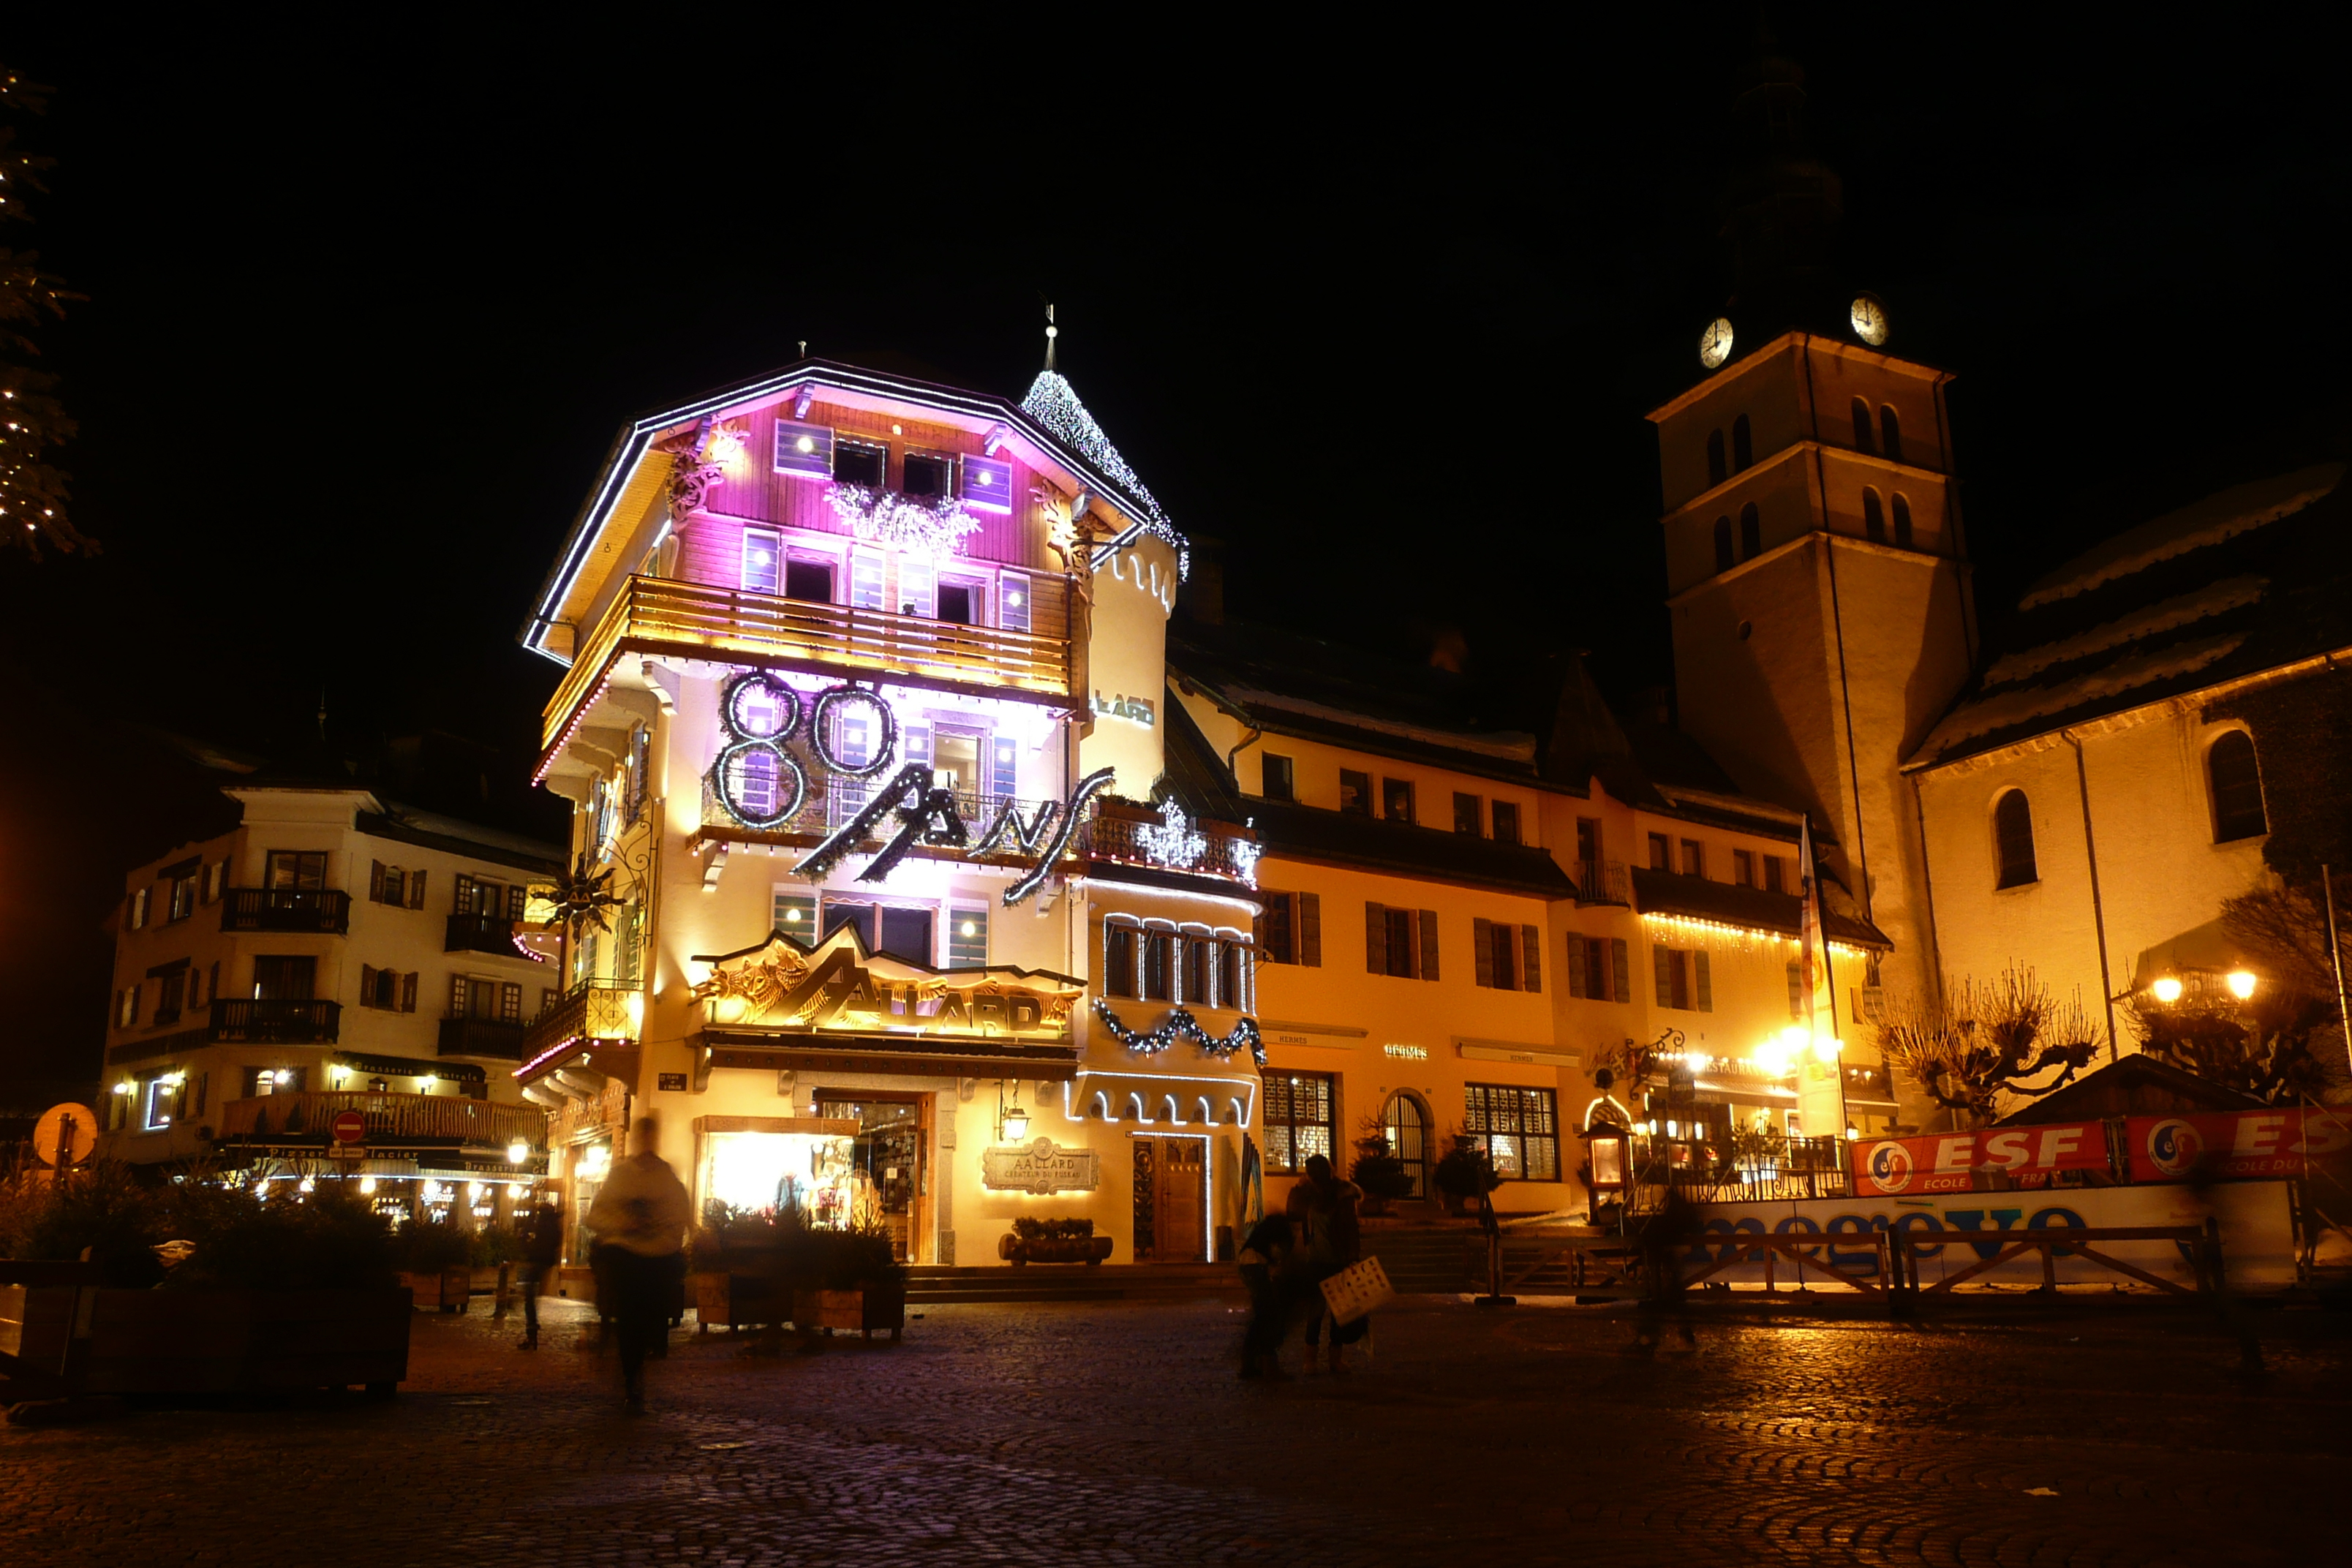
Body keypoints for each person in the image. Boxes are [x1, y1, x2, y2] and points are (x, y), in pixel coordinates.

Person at [585, 1115, 693, 1412]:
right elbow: (594, 1217)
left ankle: (638, 1367)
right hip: (627, 1259)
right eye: (643, 1136)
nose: (647, 1142)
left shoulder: (667, 1177)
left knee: (648, 1321)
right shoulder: (621, 1176)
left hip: (659, 1261)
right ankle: (632, 1380)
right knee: (631, 1323)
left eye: (651, 1136)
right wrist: (625, 1223)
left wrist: (674, 1233)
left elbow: (681, 1215)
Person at [1287, 1153, 1364, 1374]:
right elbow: (1291, 1212)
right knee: (1315, 1313)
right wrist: (1298, 1188)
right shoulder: (1308, 1195)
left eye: (1310, 1173)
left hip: (1337, 1260)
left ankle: (1335, 1359)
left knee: (1339, 1314)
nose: (1307, 1176)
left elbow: (1351, 1229)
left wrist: (1352, 1257)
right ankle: (1310, 1361)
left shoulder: (1342, 1195)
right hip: (1314, 1262)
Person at [1629, 1188, 1701, 1357]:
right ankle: (1658, 1337)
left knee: (1662, 1301)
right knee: (1667, 1302)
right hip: (1666, 1261)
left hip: (1663, 1261)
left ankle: (1651, 1337)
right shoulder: (1674, 1205)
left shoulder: (1668, 1207)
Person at [1236, 1210, 1297, 1380]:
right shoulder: (1284, 1231)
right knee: (1267, 1315)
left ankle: (1252, 1361)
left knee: (1263, 1314)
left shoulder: (1266, 1228)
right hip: (1256, 1263)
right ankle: (1267, 1362)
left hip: (1246, 1262)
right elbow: (1278, 1254)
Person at [515, 1191, 562, 1352]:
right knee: (531, 1296)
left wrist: (526, 1244)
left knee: (529, 1296)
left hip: (537, 1260)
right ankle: (532, 1330)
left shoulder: (542, 1222)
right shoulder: (554, 1223)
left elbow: (532, 1241)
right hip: (545, 1261)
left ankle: (532, 1331)